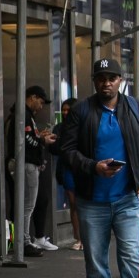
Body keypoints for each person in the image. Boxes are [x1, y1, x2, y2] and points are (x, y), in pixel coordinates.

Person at [58, 58, 139, 278]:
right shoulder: (81, 110)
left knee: (130, 259)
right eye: (101, 78)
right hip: (92, 200)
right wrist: (94, 167)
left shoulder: (137, 108)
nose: (107, 83)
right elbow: (66, 150)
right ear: (95, 81)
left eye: (112, 78)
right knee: (96, 262)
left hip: (129, 197)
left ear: (120, 80)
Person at [5, 85, 58, 255]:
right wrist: (42, 141)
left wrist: (39, 137)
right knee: (27, 205)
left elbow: (27, 138)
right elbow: (26, 141)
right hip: (25, 164)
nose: (41, 106)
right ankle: (24, 241)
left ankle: (19, 240)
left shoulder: (22, 115)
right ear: (32, 97)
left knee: (24, 204)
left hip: (23, 163)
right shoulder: (23, 116)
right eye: (40, 102)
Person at [50, 98, 82, 251]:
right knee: (73, 203)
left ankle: (85, 238)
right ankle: (78, 237)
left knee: (83, 203)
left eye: (68, 110)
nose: (65, 112)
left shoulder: (84, 126)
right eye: (63, 109)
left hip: (83, 168)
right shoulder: (59, 128)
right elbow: (55, 148)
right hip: (68, 168)